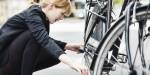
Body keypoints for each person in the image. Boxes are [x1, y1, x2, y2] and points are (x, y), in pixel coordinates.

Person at [0, 0, 90, 75]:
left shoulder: (43, 18)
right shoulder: (33, 14)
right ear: (51, 6)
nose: (62, 18)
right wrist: (72, 63)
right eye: (62, 13)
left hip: (10, 60)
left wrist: (67, 46)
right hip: (3, 60)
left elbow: (44, 38)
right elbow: (44, 40)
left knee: (55, 53)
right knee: (35, 37)